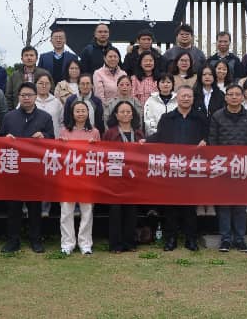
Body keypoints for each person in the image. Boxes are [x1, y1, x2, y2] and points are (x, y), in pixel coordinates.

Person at [144, 86, 208, 251]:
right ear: (177, 98)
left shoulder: (200, 118)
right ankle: (170, 239)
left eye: (189, 96)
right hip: (172, 167)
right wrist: (146, 141)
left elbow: (208, 136)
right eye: (183, 96)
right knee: (170, 205)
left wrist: (206, 142)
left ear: (193, 99)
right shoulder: (167, 118)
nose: (186, 98)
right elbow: (159, 137)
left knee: (190, 205)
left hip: (192, 168)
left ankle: (190, 239)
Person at [0, 82, 54, 253]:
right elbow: (0, 139)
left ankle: (35, 240)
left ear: (35, 96)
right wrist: (5, 138)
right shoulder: (9, 117)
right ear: (18, 97)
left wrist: (44, 136)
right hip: (14, 168)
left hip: (35, 169)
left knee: (35, 208)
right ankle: (12, 240)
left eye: (29, 95)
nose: (26, 98)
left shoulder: (45, 117)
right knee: (13, 207)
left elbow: (52, 140)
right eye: (23, 95)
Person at [208, 83, 247, 253]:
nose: (234, 97)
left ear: (242, 97)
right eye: (231, 94)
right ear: (226, 97)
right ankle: (225, 239)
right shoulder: (217, 116)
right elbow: (213, 141)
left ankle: (239, 239)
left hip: (242, 167)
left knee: (240, 205)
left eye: (237, 94)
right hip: (222, 167)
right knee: (224, 204)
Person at [57, 100, 101, 255]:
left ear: (88, 113)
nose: (80, 114)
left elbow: (100, 155)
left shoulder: (94, 132)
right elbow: (58, 155)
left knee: (87, 211)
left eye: (83, 111)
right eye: (77, 111)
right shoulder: (64, 131)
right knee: (66, 211)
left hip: (86, 177)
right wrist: (61, 144)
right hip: (68, 177)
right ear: (72, 113)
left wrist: (94, 145)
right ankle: (67, 243)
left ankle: (85, 243)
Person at [103, 101, 145, 252]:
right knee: (115, 211)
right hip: (115, 177)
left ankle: (130, 242)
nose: (126, 114)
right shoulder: (110, 133)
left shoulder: (139, 133)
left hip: (133, 178)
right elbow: (103, 154)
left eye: (128, 112)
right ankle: (116, 244)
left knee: (131, 211)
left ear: (133, 115)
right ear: (116, 115)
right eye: (122, 112)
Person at [34, 72, 63, 137]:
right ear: (35, 84)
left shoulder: (57, 102)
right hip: (33, 139)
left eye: (47, 83)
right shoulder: (28, 101)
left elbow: (62, 122)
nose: (44, 86)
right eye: (41, 83)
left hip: (53, 139)